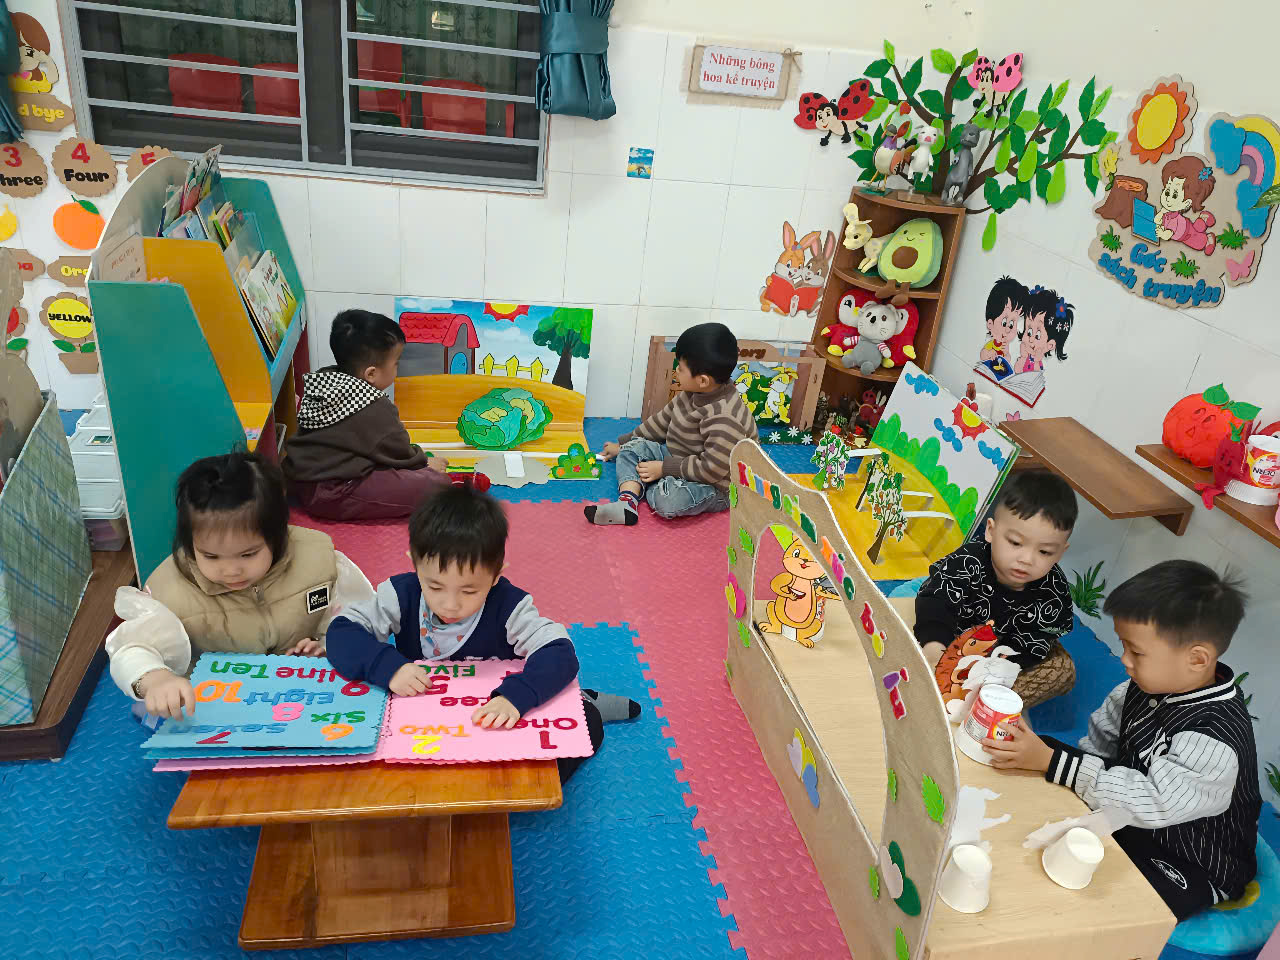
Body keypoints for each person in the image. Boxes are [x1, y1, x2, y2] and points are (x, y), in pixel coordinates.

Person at [984, 560, 1260, 921]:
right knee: (1044, 748)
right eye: (1123, 646)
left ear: (1196, 659)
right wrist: (1066, 782)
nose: (1125, 661)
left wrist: (1061, 767)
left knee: (1131, 904)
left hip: (1187, 854)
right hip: (1125, 806)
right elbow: (1100, 740)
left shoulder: (1214, 740)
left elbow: (1154, 802)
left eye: (1136, 652)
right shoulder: (1143, 684)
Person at [326, 484, 640, 784]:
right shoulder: (400, 594)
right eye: (435, 586)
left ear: (495, 575)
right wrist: (388, 667)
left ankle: (584, 701)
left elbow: (560, 652)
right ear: (415, 564)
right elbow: (341, 631)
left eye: (469, 591)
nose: (450, 604)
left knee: (586, 728)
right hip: (431, 720)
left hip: (495, 710)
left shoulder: (509, 606)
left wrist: (517, 697)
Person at [105, 452, 375, 719]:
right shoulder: (170, 591)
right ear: (190, 544)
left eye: (248, 554)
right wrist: (155, 679)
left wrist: (326, 645)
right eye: (211, 556)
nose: (231, 570)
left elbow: (359, 614)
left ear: (277, 536)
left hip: (301, 698)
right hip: (214, 710)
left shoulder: (317, 561)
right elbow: (132, 647)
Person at [915, 468, 1077, 708]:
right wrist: (934, 649)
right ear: (991, 531)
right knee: (917, 626)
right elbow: (935, 603)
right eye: (1015, 543)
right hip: (952, 637)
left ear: (1061, 552)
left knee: (1063, 670)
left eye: (1044, 552)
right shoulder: (968, 562)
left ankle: (985, 704)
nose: (1026, 559)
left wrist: (991, 672)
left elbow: (1035, 643)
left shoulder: (1054, 592)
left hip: (1002, 657)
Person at [283, 309, 449, 521]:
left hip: (303, 479)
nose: (398, 369)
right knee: (438, 486)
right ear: (371, 373)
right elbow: (400, 452)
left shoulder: (327, 379)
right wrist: (425, 463)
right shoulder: (373, 406)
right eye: (396, 363)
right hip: (334, 493)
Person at [586, 322, 757, 526]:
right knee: (632, 449)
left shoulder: (725, 418)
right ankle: (627, 502)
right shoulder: (691, 393)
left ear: (702, 380)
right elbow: (659, 423)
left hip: (716, 483)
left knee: (668, 500)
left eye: (681, 368)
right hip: (679, 459)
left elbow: (711, 469)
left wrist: (664, 469)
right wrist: (622, 445)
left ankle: (648, 483)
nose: (676, 371)